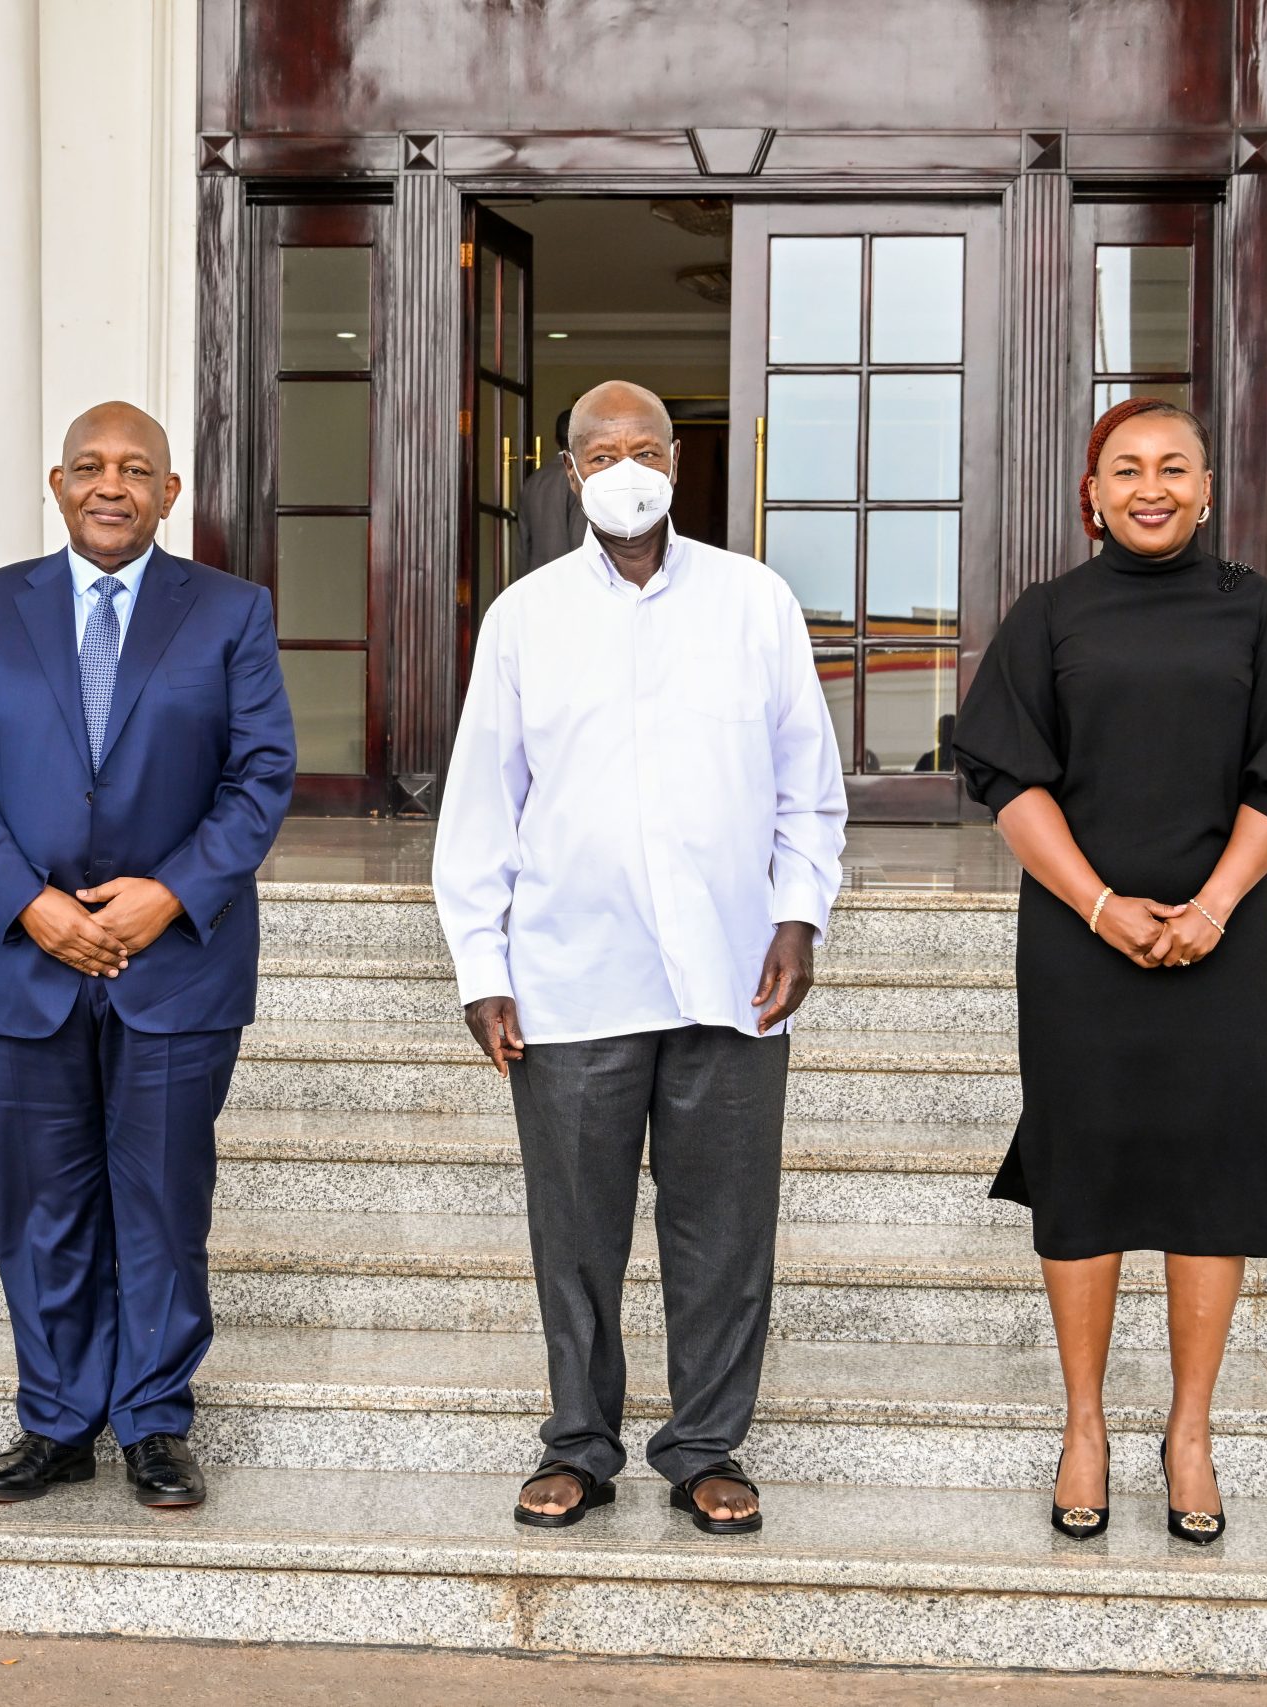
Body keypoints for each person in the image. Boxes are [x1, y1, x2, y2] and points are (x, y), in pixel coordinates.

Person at [433, 379, 848, 1537]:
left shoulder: (755, 604)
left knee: (723, 1232)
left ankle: (706, 1446)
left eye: (645, 449)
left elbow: (807, 790)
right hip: (572, 978)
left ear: (675, 461)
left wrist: (797, 918)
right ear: (570, 474)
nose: (626, 469)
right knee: (576, 1235)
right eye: (601, 451)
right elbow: (482, 806)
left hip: (732, 974)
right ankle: (579, 1443)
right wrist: (482, 967)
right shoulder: (523, 619)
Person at [952, 396, 1267, 1546]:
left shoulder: (1253, 611)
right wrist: (1098, 904)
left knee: (1210, 1171)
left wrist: (1213, 906)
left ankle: (1189, 1435)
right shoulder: (1049, 614)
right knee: (1083, 1166)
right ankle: (1082, 1427)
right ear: (1092, 493)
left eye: (1175, 467)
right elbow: (1009, 778)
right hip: (1077, 944)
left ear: (1208, 490)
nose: (1151, 486)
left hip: (1220, 942)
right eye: (1126, 469)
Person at [0, 401, 295, 1511]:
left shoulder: (230, 612)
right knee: (41, 1205)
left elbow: (262, 774)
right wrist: (29, 905)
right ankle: (56, 1420)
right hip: (24, 960)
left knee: (164, 1200)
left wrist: (169, 895)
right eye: (90, 466)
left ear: (170, 493)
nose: (111, 485)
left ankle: (156, 1421)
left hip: (174, 965)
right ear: (58, 483)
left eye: (136, 469)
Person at [516, 407, 588, 572]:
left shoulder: (532, 481)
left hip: (535, 578)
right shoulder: (578, 479)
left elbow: (522, 546)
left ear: (555, 439)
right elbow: (580, 541)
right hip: (568, 578)